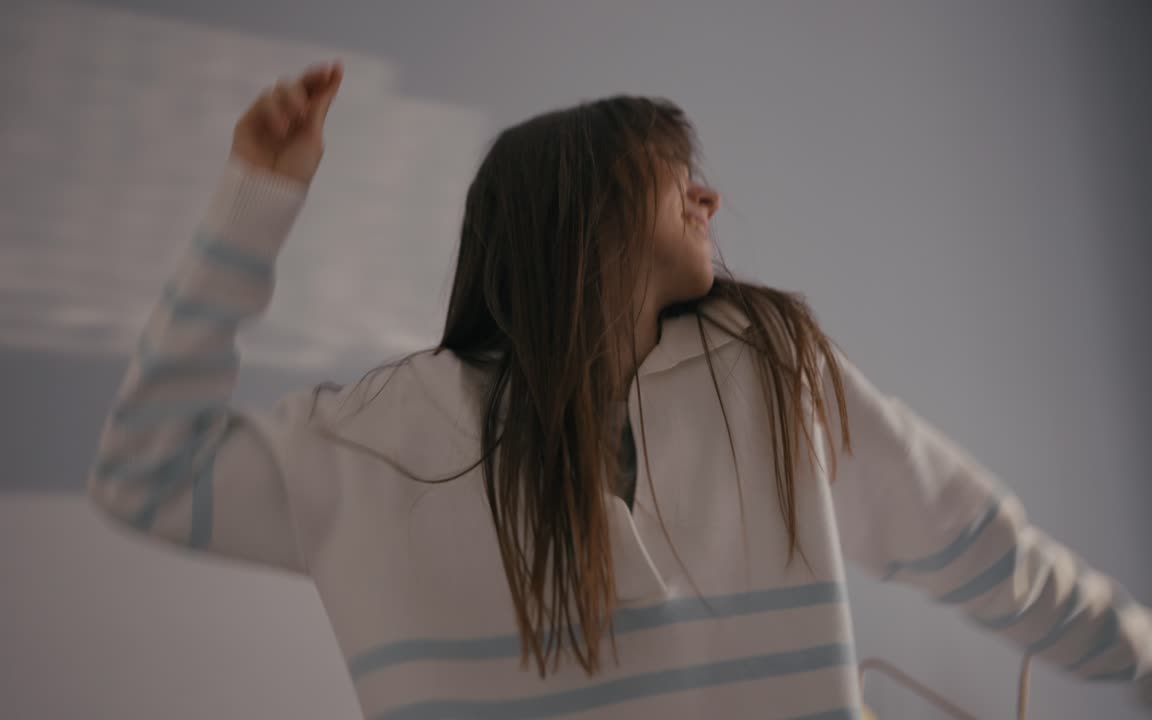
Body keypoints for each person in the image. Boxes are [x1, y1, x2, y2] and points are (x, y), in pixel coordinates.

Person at [87, 60, 1151, 718]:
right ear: (578, 203)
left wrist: (1139, 656)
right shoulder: (371, 442)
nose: (709, 197)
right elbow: (146, 475)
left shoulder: (771, 371)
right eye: (674, 167)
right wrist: (254, 200)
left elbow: (984, 552)